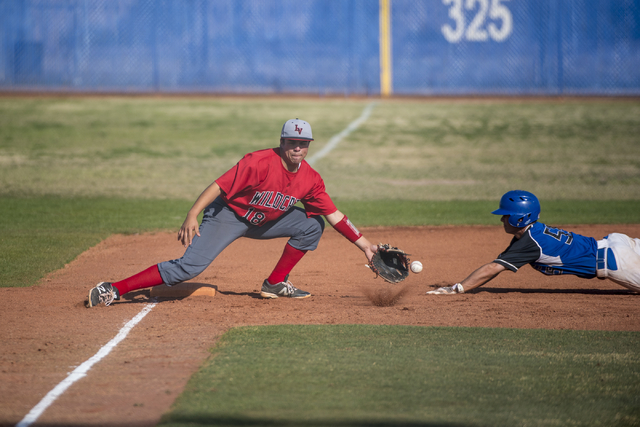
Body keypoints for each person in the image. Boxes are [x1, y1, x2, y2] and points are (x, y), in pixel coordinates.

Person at [88, 118, 377, 307]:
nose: (297, 149)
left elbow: (334, 214)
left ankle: (275, 284)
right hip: (229, 215)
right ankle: (113, 289)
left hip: (265, 221)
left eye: (303, 144)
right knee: (188, 269)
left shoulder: (311, 179)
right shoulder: (259, 162)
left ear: (309, 146)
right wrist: (193, 214)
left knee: (312, 225)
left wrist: (366, 246)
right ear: (282, 142)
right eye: (292, 142)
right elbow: (219, 185)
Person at [426, 190, 640, 295]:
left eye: (506, 215)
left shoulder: (529, 243)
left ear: (520, 218)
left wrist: (457, 289)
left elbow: (493, 268)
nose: (502, 219)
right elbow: (499, 261)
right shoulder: (532, 232)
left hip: (616, 262)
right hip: (618, 243)